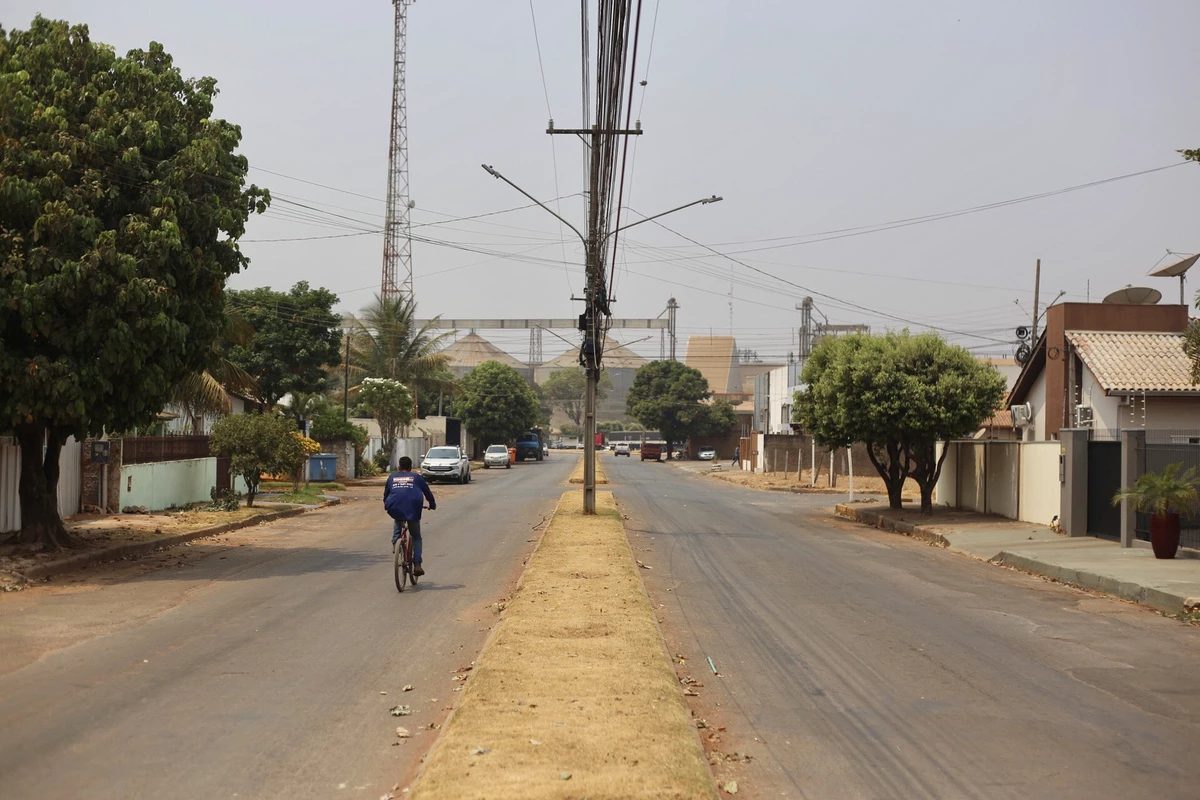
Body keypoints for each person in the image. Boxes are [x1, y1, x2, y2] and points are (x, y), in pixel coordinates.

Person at [384, 456, 436, 576]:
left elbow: (386, 494)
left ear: (399, 467)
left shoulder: (392, 476)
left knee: (398, 517)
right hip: (413, 507)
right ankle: (417, 564)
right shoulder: (417, 477)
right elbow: (427, 492)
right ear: (411, 467)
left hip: (394, 505)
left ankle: (395, 541)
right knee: (416, 536)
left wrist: (387, 505)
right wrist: (432, 504)